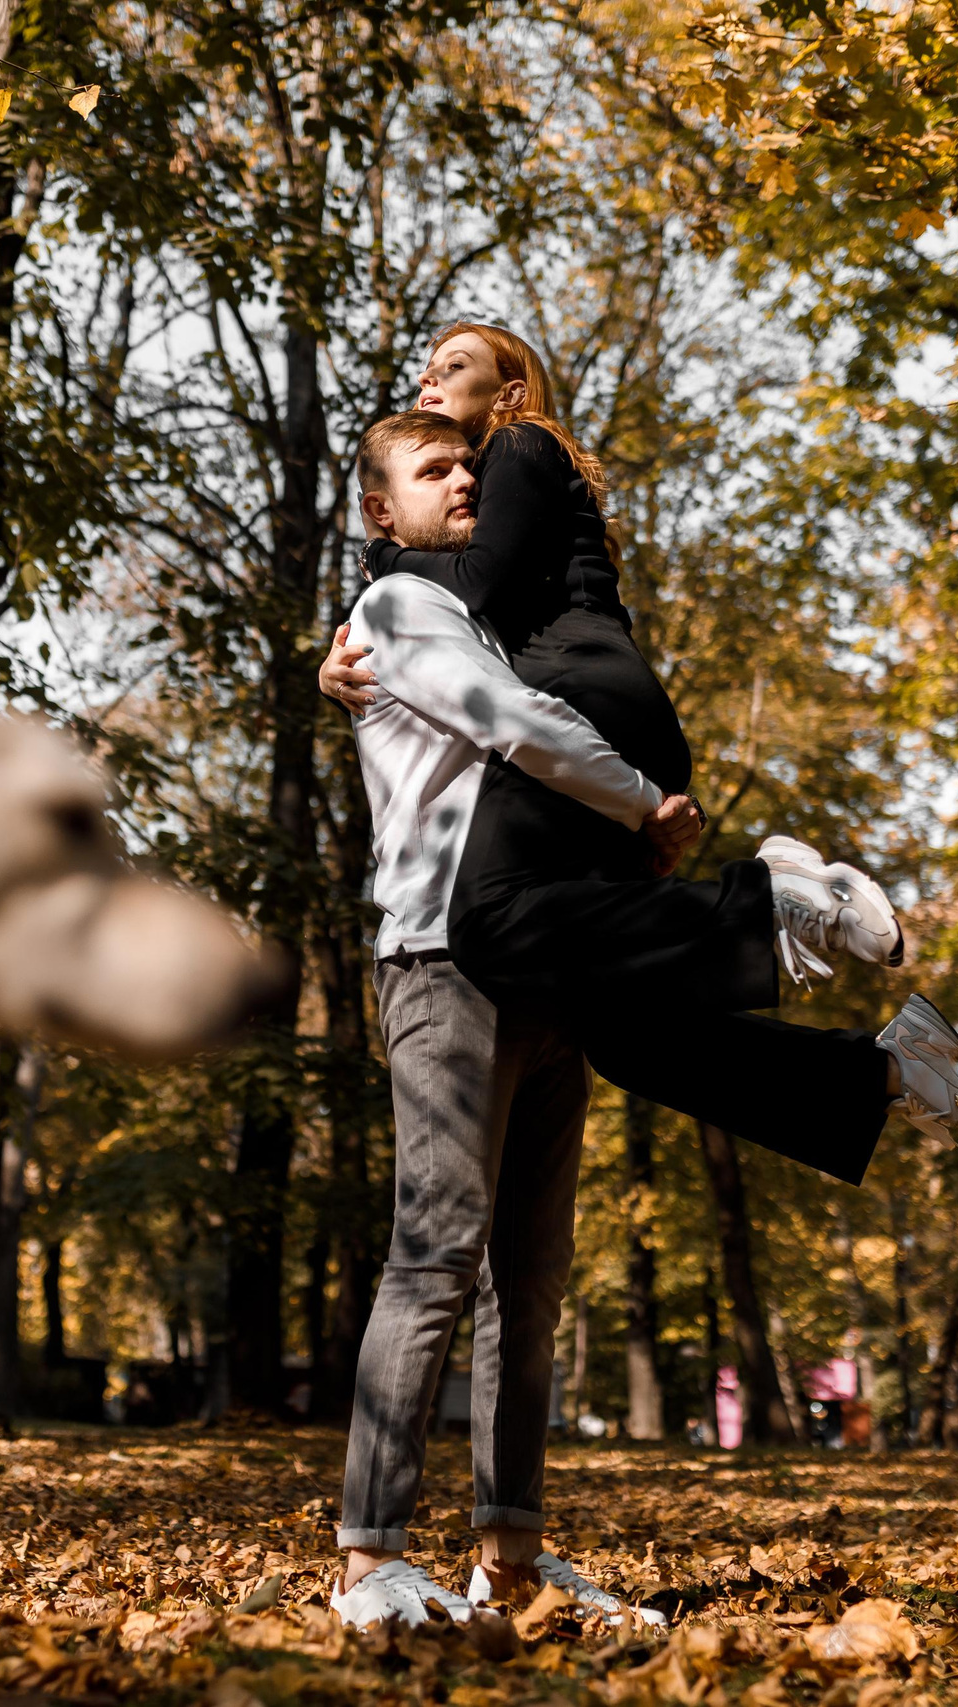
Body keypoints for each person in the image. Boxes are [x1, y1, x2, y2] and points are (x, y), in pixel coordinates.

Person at [326, 326, 958, 1166]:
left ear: (508, 391)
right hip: (609, 715)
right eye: (424, 372)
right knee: (626, 1032)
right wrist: (354, 652)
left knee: (489, 921)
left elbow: (473, 585)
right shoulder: (502, 482)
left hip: (582, 703)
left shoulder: (521, 444)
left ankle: (777, 901)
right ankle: (883, 1072)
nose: (430, 383)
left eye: (454, 369)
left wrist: (379, 567)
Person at [327, 411, 685, 1632]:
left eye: (468, 463)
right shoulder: (396, 612)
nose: (463, 478)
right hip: (440, 959)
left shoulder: (491, 611)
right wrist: (645, 807)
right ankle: (367, 1559)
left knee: (527, 1282)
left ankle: (511, 1563)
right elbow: (504, 720)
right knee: (434, 1258)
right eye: (433, 471)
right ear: (383, 513)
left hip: (543, 957)